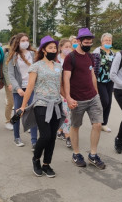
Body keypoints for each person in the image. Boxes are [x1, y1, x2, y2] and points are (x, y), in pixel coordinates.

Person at [20, 36, 63, 177]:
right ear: (43, 50)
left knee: (52, 138)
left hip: (56, 104)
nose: (53, 50)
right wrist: (23, 106)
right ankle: (36, 159)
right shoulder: (36, 66)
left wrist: (68, 98)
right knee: (45, 135)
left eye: (55, 48)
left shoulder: (58, 66)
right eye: (50, 48)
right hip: (41, 104)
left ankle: (46, 164)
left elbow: (60, 86)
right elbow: (30, 87)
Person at [63, 28, 105, 169]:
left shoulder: (90, 56)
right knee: (75, 126)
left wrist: (96, 92)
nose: (88, 44)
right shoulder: (71, 58)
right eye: (86, 42)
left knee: (97, 124)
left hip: (93, 97)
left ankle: (93, 155)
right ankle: (76, 154)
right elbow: (66, 79)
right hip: (77, 99)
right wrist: (68, 97)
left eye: (90, 42)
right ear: (79, 41)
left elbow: (92, 75)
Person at [7, 33, 38, 149]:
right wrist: (18, 88)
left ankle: (34, 140)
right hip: (19, 89)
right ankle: (16, 136)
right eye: (22, 40)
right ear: (18, 43)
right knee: (18, 112)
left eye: (27, 40)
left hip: (32, 88)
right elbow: (11, 74)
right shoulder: (13, 56)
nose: (25, 42)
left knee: (33, 112)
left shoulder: (33, 54)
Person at [92, 33, 115, 133]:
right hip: (99, 80)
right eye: (106, 40)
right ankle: (97, 120)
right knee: (104, 101)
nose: (108, 42)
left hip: (109, 81)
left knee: (109, 102)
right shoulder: (97, 51)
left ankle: (103, 124)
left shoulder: (112, 53)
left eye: (109, 40)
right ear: (102, 41)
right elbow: (93, 66)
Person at [57, 38, 73, 148]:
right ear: (61, 47)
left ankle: (67, 135)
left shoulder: (71, 59)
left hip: (68, 89)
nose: (68, 49)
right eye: (66, 47)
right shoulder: (56, 60)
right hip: (57, 89)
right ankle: (60, 129)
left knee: (67, 111)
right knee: (60, 111)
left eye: (69, 47)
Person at [2, 35, 16, 130]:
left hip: (21, 83)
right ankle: (8, 120)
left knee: (23, 105)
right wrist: (9, 83)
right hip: (10, 83)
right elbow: (5, 70)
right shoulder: (8, 55)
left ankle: (16, 121)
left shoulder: (24, 55)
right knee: (10, 103)